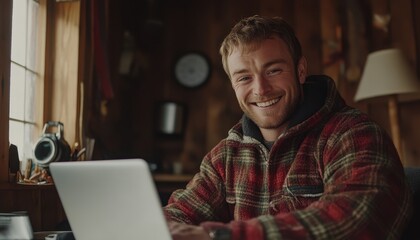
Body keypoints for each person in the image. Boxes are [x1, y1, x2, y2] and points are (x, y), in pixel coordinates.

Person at [164, 15, 412, 240]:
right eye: (244, 77)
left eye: (273, 70)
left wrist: (216, 236)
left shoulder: (354, 135)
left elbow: (356, 221)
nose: (261, 89)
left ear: (300, 70)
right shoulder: (224, 156)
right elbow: (178, 214)